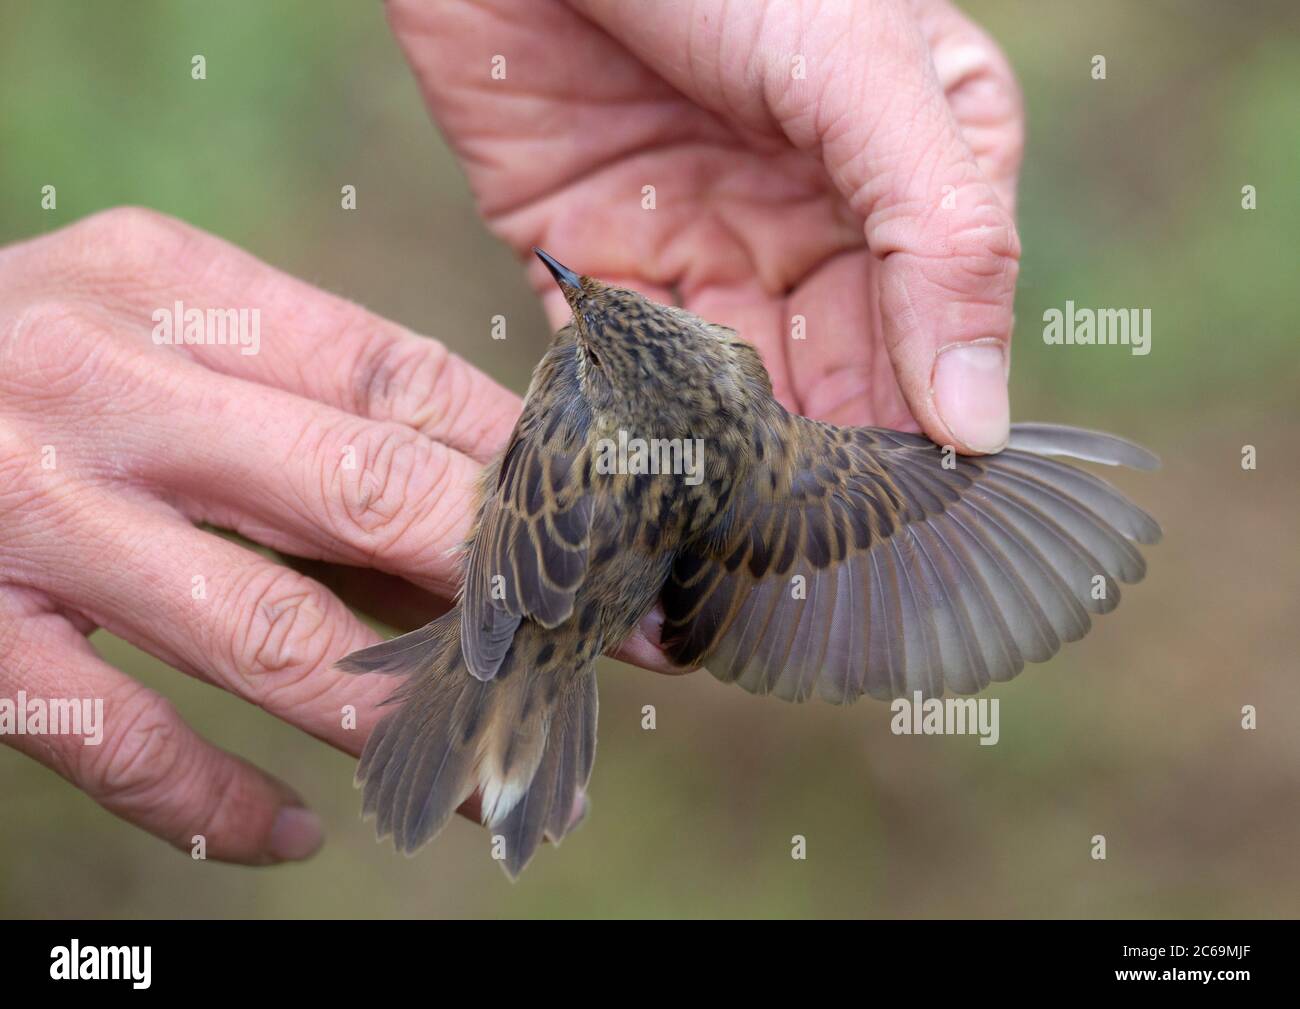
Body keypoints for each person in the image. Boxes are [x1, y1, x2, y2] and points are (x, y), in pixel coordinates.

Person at [0, 0, 1022, 864]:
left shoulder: (589, 399)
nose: (578, 297)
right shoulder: (777, 447)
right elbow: (889, 508)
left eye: (599, 328)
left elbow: (536, 479)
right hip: (592, 616)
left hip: (540, 605)